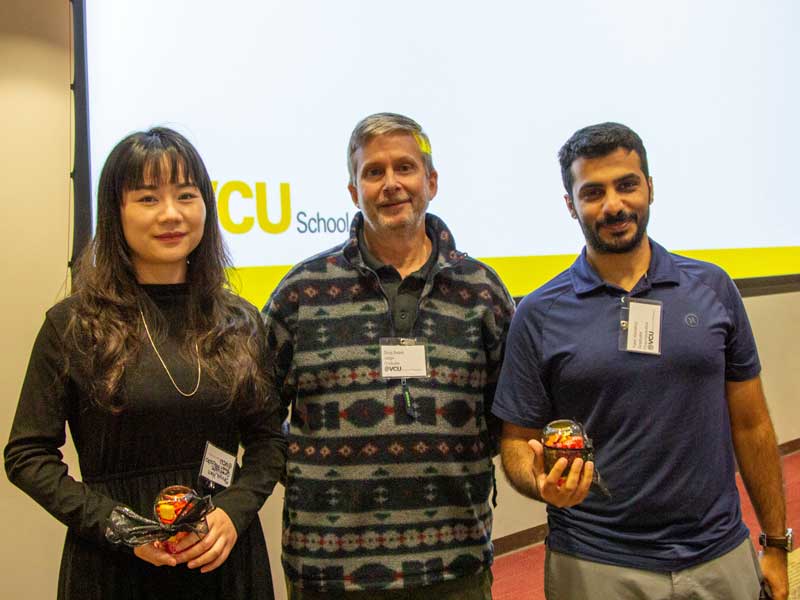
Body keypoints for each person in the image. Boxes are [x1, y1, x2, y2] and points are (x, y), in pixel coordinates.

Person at [492, 121, 790, 599]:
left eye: (627, 184)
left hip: (718, 553)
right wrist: (541, 482)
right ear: (571, 205)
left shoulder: (713, 288)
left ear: (650, 188)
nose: (613, 205)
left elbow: (752, 424)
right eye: (593, 192)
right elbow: (516, 441)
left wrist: (776, 543)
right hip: (594, 561)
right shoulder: (539, 312)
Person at [5, 127, 287, 600]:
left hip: (221, 558)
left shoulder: (240, 319)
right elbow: (27, 456)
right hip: (113, 562)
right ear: (116, 213)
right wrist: (122, 530)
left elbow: (269, 442)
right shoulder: (74, 323)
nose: (171, 214)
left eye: (186, 195)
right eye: (148, 199)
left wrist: (234, 512)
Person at [262, 112, 515, 598]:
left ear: (432, 181)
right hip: (329, 567)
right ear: (354, 192)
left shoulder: (482, 290)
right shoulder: (301, 291)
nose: (391, 184)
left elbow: (504, 419)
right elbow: (259, 419)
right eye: (373, 172)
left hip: (453, 562)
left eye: (405, 167)